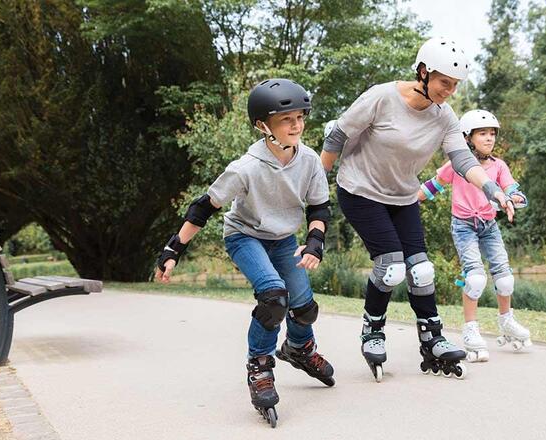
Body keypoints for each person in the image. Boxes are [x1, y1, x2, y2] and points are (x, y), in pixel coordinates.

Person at [320, 37, 515, 382]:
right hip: (361, 191)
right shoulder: (382, 97)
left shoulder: (444, 117)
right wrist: (317, 184)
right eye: (444, 83)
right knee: (391, 267)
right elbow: (337, 137)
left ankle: (432, 337)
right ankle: (373, 331)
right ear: (423, 72)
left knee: (422, 270)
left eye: (455, 86)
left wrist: (491, 188)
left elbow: (462, 158)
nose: (450, 91)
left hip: (403, 196)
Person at [154, 78, 334, 428]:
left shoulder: (309, 160)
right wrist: (173, 248)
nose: (296, 125)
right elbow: (203, 208)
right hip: (245, 236)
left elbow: (320, 209)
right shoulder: (245, 168)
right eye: (286, 120)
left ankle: (299, 349)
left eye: (300, 117)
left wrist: (315, 242)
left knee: (305, 309)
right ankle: (260, 366)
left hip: (283, 240)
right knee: (273, 299)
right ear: (262, 125)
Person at [419, 109, 531, 362]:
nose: (489, 138)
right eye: (483, 133)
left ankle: (506, 321)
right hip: (463, 226)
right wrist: (403, 202)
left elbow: (515, 191)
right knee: (476, 278)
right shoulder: (458, 164)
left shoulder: (499, 166)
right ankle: (470, 329)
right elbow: (432, 186)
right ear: (468, 138)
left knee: (505, 280)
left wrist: (513, 198)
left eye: (492, 133)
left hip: (489, 227)